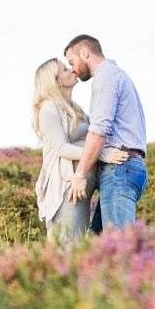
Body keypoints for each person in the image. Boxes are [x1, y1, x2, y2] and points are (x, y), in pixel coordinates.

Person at [31, 57, 127, 245]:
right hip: (67, 187)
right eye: (65, 69)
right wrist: (102, 155)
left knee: (78, 243)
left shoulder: (76, 109)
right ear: (55, 80)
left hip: (81, 187)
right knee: (66, 245)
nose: (72, 71)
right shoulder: (49, 108)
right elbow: (61, 148)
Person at [63, 34, 148, 231]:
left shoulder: (106, 77)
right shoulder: (116, 75)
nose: (73, 70)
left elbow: (99, 130)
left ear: (84, 53)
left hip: (119, 169)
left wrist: (80, 174)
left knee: (118, 244)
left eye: (72, 62)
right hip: (124, 167)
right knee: (99, 243)